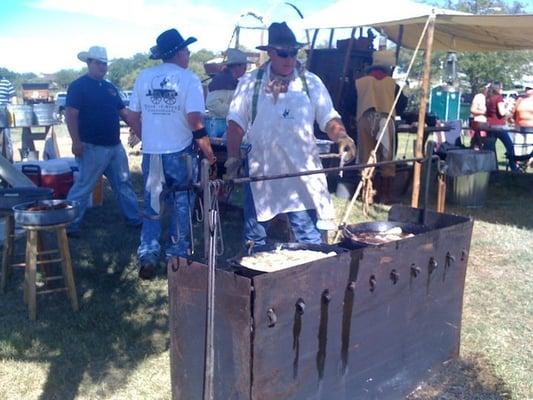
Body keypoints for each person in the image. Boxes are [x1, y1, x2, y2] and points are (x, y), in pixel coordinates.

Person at [224, 22, 356, 247]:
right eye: (283, 53)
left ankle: (313, 278)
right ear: (270, 53)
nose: (289, 59)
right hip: (263, 173)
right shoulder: (250, 83)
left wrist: (342, 136)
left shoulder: (310, 82)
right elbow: (236, 125)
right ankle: (255, 279)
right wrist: (233, 159)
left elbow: (328, 118)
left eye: (293, 53)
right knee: (254, 240)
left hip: (301, 174)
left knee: (309, 239)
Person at [128, 28, 216, 280]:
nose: (189, 54)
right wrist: (209, 154)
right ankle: (176, 255)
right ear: (178, 53)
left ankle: (148, 253)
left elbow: (132, 115)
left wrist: (148, 136)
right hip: (180, 154)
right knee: (180, 204)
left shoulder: (144, 76)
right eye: (187, 50)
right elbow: (195, 122)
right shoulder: (189, 80)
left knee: (153, 203)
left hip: (152, 153)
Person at [65, 46, 141, 237]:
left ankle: (134, 219)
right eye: (99, 63)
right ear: (89, 63)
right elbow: (71, 115)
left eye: (105, 64)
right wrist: (76, 142)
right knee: (84, 186)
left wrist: (139, 129)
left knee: (124, 183)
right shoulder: (78, 86)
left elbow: (123, 112)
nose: (103, 67)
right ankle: (69, 224)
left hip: (114, 146)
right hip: (91, 146)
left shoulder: (110, 88)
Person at [354, 50, 407, 204]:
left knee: (366, 158)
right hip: (385, 119)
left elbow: (351, 102)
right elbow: (402, 104)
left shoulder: (360, 82)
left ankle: (367, 194)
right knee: (386, 158)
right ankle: (385, 195)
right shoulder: (392, 84)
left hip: (365, 117)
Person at [206, 48, 249, 118]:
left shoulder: (235, 81)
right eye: (244, 66)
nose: (245, 69)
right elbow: (212, 103)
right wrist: (234, 112)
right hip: (220, 125)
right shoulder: (220, 80)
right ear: (236, 66)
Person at [485, 81, 519, 171]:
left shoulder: (488, 98)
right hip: (499, 126)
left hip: (489, 126)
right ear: (497, 88)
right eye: (501, 88)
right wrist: (508, 107)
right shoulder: (499, 98)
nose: (502, 90)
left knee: (490, 149)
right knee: (510, 147)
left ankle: (491, 168)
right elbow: (502, 112)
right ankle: (513, 168)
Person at [0, 74, 17, 161]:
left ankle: (9, 161)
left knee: (7, 138)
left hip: (4, 110)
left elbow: (13, 96)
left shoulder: (6, 82)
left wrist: (14, 108)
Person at [469, 83, 489, 149]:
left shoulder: (491, 98)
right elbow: (472, 110)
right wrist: (484, 113)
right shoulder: (478, 97)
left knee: (486, 144)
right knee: (476, 144)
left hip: (488, 125)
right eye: (486, 88)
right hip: (479, 123)